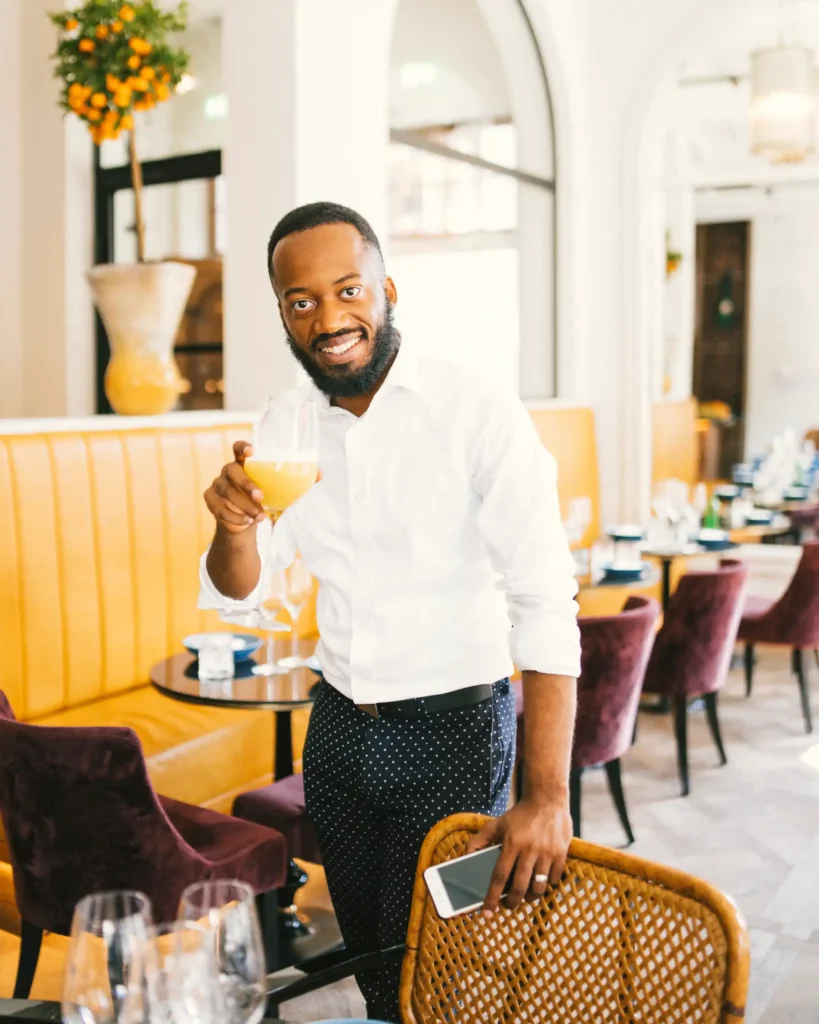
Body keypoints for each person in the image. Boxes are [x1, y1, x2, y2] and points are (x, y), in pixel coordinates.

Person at [199, 201, 581, 1022]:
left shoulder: (474, 407)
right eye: (301, 301)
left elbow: (545, 598)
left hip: (457, 740)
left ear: (387, 291)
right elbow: (243, 587)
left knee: (436, 971)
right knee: (376, 961)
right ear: (283, 316)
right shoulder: (285, 424)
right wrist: (233, 528)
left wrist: (546, 794)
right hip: (337, 735)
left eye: (348, 290)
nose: (329, 318)